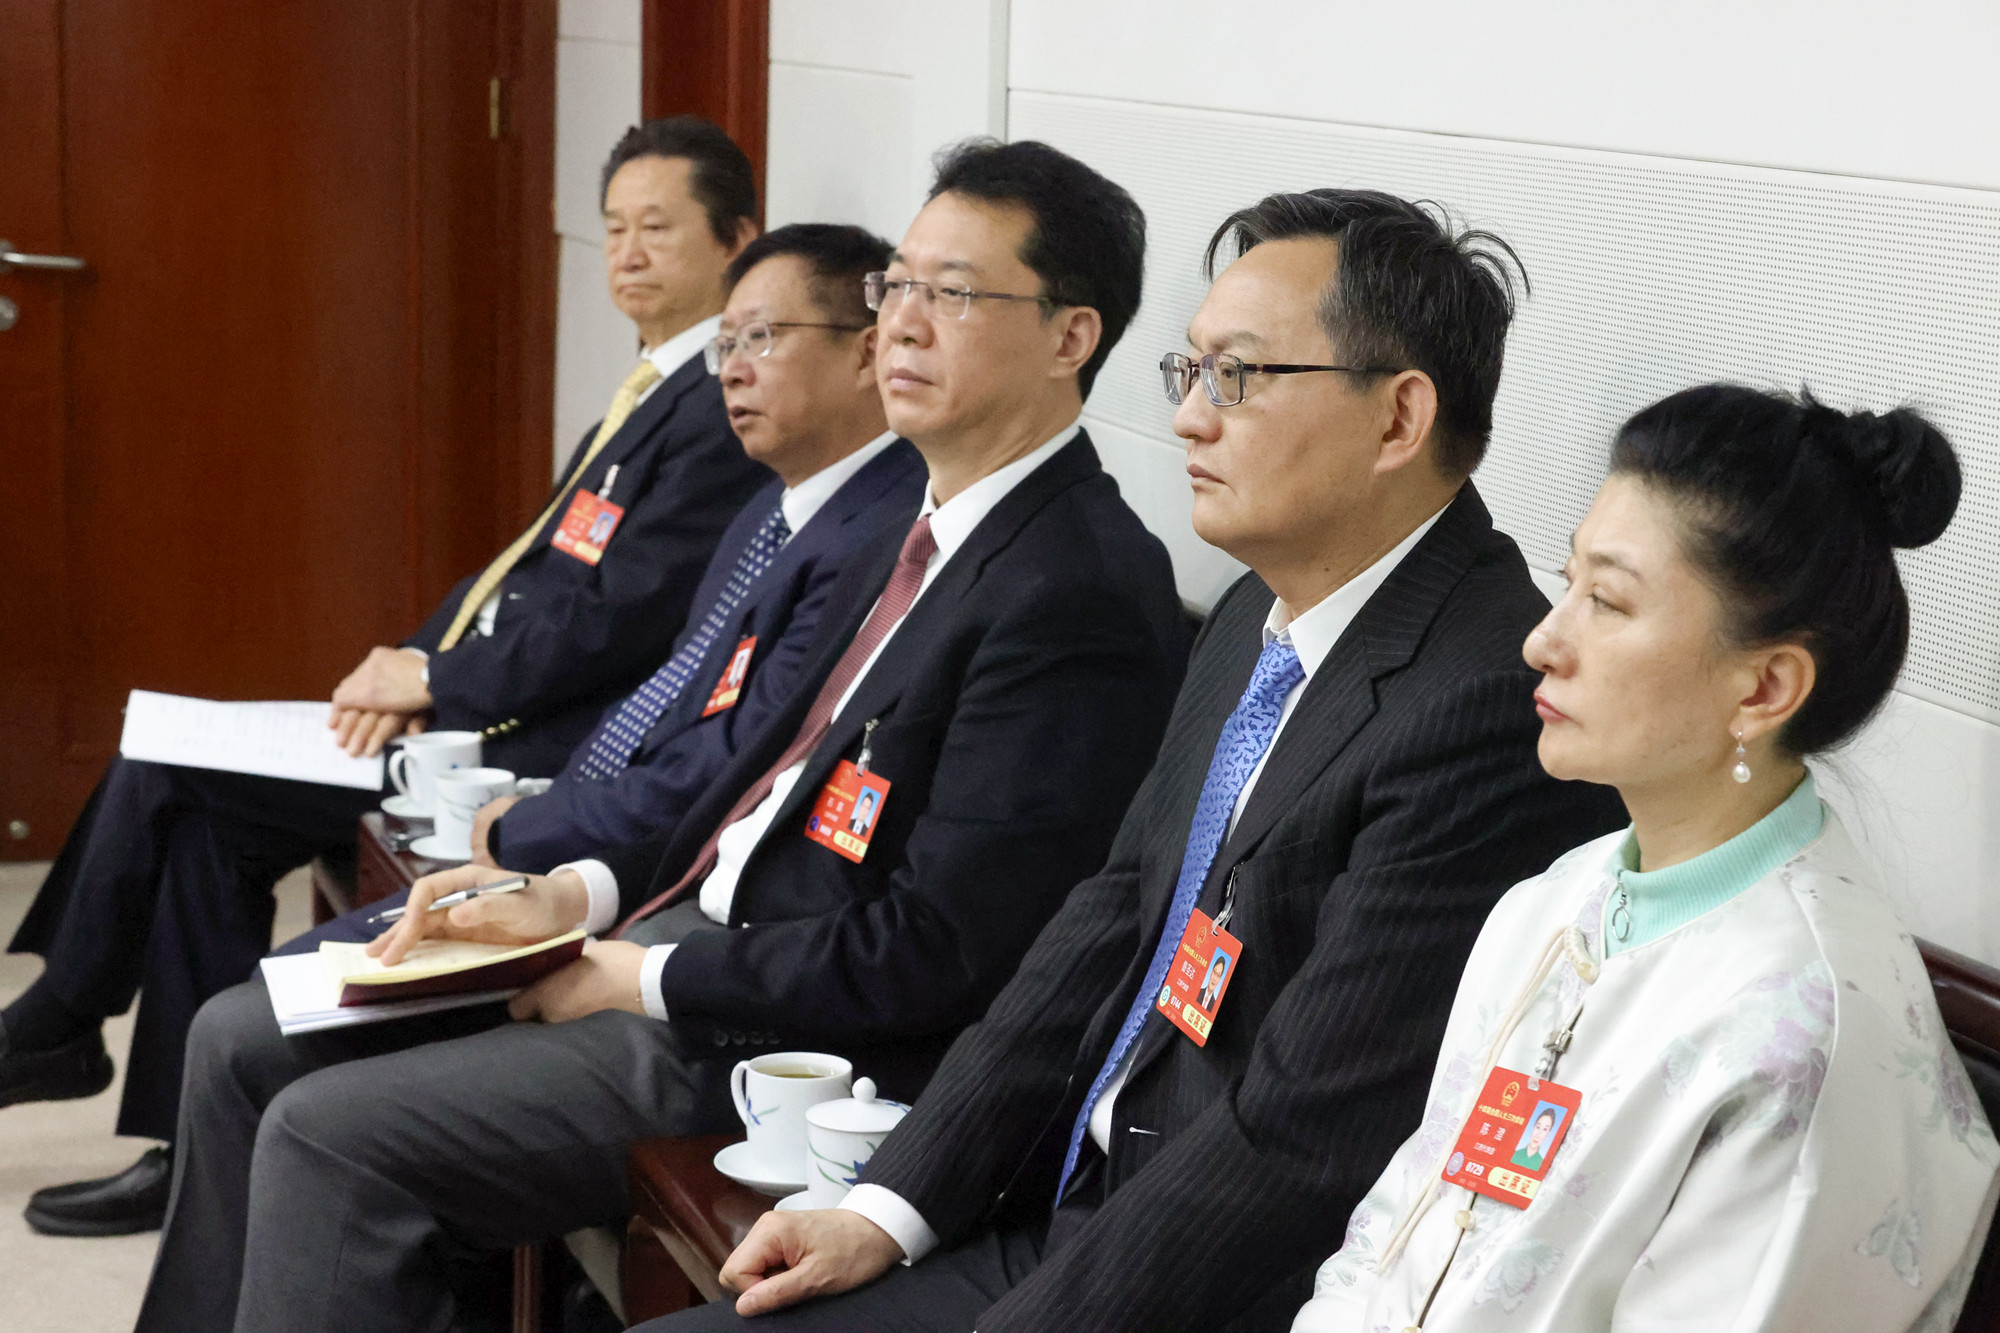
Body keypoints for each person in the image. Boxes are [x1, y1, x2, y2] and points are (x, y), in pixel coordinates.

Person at [135, 138, 1192, 1333]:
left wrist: (636, 975)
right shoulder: (914, 525)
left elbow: (941, 949)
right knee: (249, 1032)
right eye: (895, 285)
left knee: (329, 1135)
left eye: (951, 294)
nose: (899, 323)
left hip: (782, 1040)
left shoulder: (1073, 588)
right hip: (676, 933)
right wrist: (571, 894)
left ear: (1069, 336)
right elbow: (737, 777)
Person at [656, 190, 1628, 1333]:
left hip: (1201, 1289)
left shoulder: (1482, 704)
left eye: (1237, 376)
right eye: (1190, 371)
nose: (1188, 419)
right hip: (1062, 1209)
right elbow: (1117, 914)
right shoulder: (1252, 612)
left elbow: (1303, 1134)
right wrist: (886, 1205)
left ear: (1397, 417)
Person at [4, 114, 771, 1237]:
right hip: (473, 705)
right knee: (196, 809)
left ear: (737, 238)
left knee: (170, 777)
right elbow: (529, 566)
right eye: (612, 228)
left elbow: (617, 620)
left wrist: (439, 685)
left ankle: (63, 1021)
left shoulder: (716, 407)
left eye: (657, 228)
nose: (626, 253)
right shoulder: (653, 388)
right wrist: (413, 656)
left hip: (523, 747)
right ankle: (173, 1133)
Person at [1291, 385, 1999, 1331]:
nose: (1543, 640)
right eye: (1568, 582)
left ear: (1765, 686)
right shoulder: (1555, 902)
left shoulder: (1803, 1033)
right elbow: (1394, 1236)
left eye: (1608, 601)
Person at [464, 222, 929, 874]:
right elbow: (677, 703)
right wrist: (549, 806)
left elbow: (732, 765)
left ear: (866, 354)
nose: (732, 372)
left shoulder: (883, 536)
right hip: (592, 823)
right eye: (725, 346)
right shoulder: (764, 510)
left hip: (664, 870)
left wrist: (532, 829)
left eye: (759, 338)